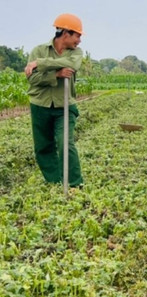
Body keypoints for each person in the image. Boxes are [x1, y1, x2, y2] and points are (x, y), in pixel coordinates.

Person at [24, 13, 85, 187]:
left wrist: (40, 64)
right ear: (66, 33)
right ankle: (54, 181)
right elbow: (32, 79)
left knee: (65, 142)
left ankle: (74, 184)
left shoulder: (76, 53)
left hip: (64, 105)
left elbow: (72, 64)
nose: (79, 40)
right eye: (77, 35)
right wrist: (56, 74)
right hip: (40, 104)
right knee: (43, 146)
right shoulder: (38, 50)